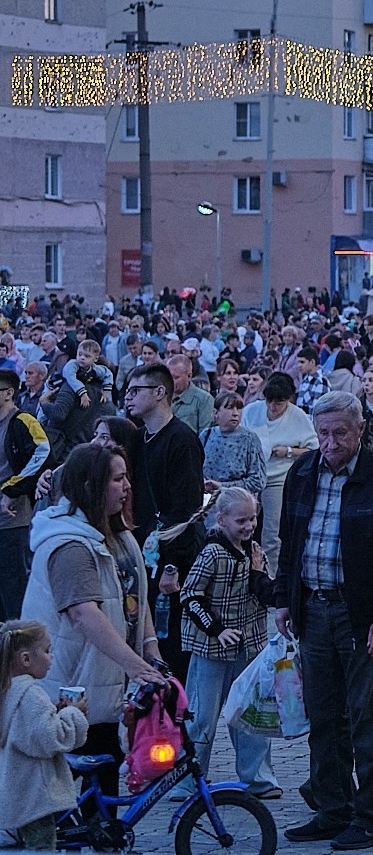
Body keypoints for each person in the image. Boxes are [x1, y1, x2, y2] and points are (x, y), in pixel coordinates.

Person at [270, 390, 373, 850]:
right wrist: (282, 599)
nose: (330, 443)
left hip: (361, 615)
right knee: (324, 716)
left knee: (368, 720)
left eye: (340, 433)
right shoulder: (303, 472)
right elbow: (289, 540)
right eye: (324, 433)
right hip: (312, 608)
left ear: (360, 431)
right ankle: (333, 809)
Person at [23, 445, 171, 797]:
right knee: (75, 785)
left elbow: (135, 597)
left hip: (104, 684)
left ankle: (107, 841)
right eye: (117, 479)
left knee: (104, 776)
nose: (127, 487)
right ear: (91, 485)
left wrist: (151, 650)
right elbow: (85, 615)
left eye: (126, 478)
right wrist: (137, 667)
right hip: (72, 686)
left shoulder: (119, 536)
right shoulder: (70, 545)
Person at [177, 486, 279, 799]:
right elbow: (190, 596)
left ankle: (259, 778)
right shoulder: (212, 553)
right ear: (222, 520)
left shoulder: (254, 551)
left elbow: (264, 592)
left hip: (249, 645)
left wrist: (261, 575)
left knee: (251, 714)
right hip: (211, 648)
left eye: (252, 519)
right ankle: (187, 779)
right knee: (202, 716)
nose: (248, 526)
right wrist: (216, 629)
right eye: (241, 521)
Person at [123, 360, 207, 679]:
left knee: (170, 643)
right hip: (145, 555)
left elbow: (185, 509)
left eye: (136, 391)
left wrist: (171, 566)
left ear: (160, 392)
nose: (128, 398)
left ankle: (175, 719)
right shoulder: (139, 438)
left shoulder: (181, 440)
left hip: (171, 562)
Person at [0, 619, 89, 851]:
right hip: (33, 795)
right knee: (41, 847)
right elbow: (50, 738)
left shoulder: (8, 689)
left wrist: (57, 712)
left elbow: (28, 731)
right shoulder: (30, 694)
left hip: (15, 790)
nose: (52, 657)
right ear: (26, 659)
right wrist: (73, 713)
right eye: (48, 651)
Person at [244, 371, 316, 566]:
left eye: (279, 403)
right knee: (242, 526)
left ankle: (271, 574)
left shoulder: (298, 416)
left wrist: (290, 451)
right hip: (250, 477)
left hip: (278, 479)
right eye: (270, 402)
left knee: (272, 533)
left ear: (288, 400)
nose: (273, 407)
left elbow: (314, 448)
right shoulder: (251, 410)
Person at [0, 372, 50, 619]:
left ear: (9, 393)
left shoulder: (22, 420)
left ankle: (18, 644)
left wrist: (12, 489)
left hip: (12, 517)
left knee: (13, 585)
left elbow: (42, 452)